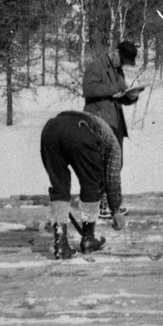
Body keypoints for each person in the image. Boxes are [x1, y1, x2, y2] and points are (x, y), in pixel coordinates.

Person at [40, 111, 128, 259]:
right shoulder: (113, 144)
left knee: (59, 187)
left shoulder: (99, 126)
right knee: (90, 184)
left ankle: (61, 244)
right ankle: (88, 239)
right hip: (78, 130)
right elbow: (112, 177)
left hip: (50, 130)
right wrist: (115, 210)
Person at [83, 40, 140, 218]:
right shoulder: (95, 66)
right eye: (122, 60)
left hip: (115, 124)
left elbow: (118, 96)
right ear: (115, 52)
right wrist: (115, 88)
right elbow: (89, 90)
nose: (122, 64)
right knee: (101, 165)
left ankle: (112, 204)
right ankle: (101, 205)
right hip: (99, 123)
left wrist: (130, 96)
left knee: (116, 165)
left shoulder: (117, 71)